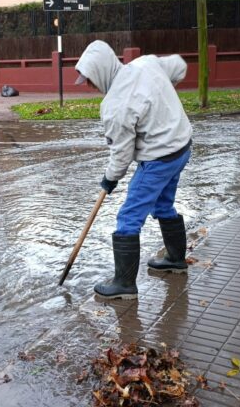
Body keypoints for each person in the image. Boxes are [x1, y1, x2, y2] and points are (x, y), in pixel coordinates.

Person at [74, 40, 193, 300]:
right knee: (163, 205)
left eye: (92, 81)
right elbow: (179, 66)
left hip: (159, 159)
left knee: (128, 218)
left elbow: (122, 154)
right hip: (182, 147)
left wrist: (109, 180)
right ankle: (175, 259)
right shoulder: (146, 63)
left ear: (101, 72)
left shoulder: (116, 106)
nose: (93, 88)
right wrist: (162, 98)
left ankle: (124, 285)